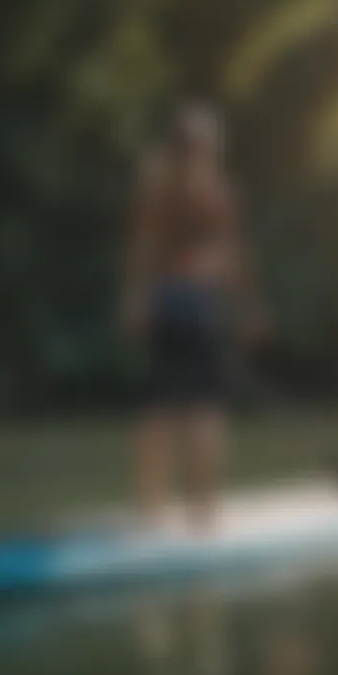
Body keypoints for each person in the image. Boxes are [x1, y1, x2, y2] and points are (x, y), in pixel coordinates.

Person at [122, 101, 267, 532]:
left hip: (165, 304)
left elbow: (142, 249)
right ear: (209, 148)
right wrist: (249, 308)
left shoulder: (156, 187)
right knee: (205, 410)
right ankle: (205, 514)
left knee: (160, 409)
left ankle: (152, 511)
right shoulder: (220, 192)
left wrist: (136, 297)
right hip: (200, 305)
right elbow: (236, 256)